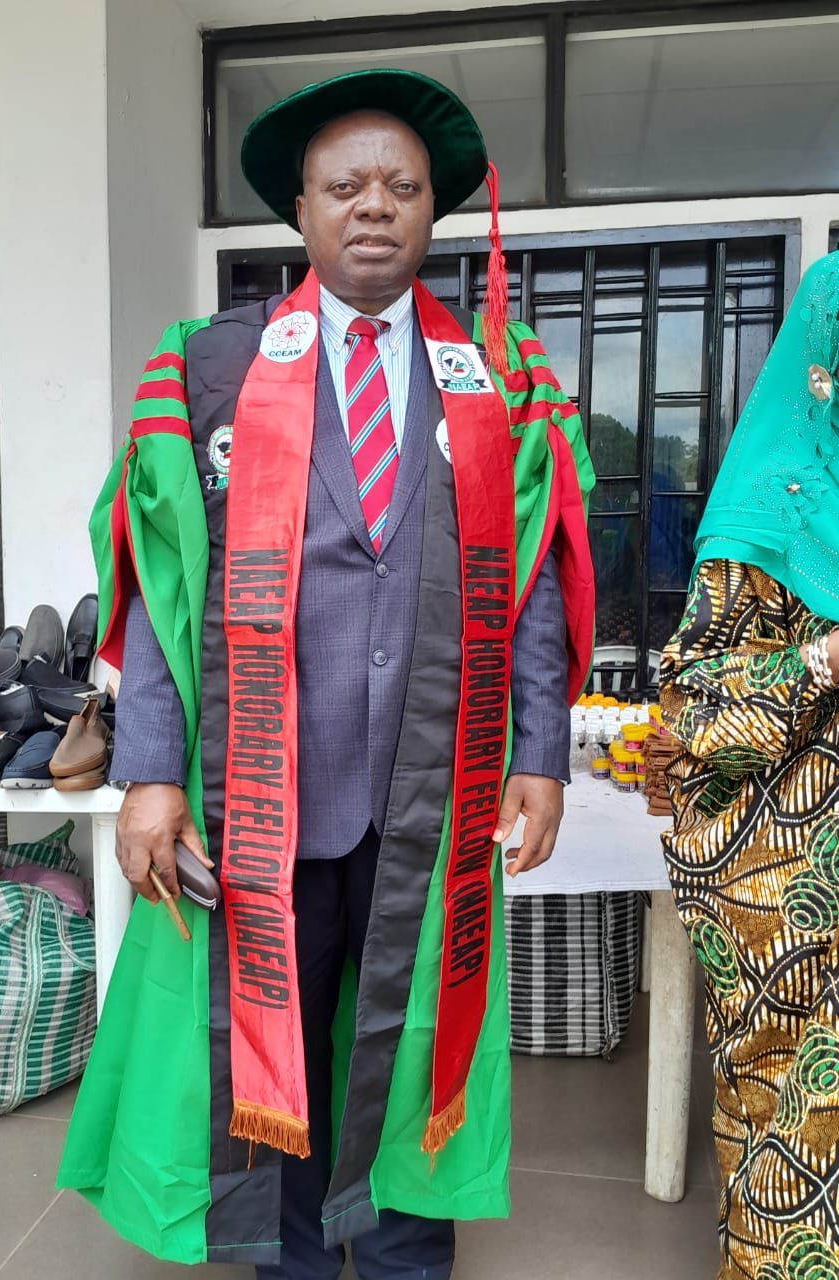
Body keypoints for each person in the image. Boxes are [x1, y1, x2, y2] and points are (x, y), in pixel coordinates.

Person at [58, 69, 595, 1278]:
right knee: (274, 1046)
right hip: (264, 794)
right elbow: (161, 588)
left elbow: (536, 572)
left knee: (412, 1038)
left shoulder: (500, 375)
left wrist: (541, 751)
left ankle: (404, 1255)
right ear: (298, 210)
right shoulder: (210, 367)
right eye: (345, 185)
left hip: (434, 788)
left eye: (402, 185)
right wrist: (151, 773)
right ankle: (293, 1255)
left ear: (434, 210)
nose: (374, 205)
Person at [659, 251, 839, 1280]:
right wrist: (823, 658)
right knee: (798, 1139)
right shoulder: (773, 512)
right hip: (794, 888)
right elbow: (693, 700)